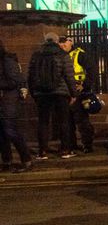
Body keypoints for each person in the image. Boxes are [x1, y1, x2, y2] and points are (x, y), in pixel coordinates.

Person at [28, 32, 78, 160]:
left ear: (45, 41)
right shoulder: (62, 55)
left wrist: (33, 92)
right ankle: (65, 150)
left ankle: (42, 151)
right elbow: (69, 76)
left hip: (41, 93)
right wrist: (73, 93)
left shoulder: (36, 55)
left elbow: (30, 76)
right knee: (63, 121)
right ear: (57, 41)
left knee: (43, 122)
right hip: (60, 92)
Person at [0, 40, 33, 173]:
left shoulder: (7, 61)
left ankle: (26, 160)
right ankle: (7, 161)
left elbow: (15, 81)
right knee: (1, 133)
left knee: (11, 131)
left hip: (8, 101)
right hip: (3, 102)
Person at [60, 37, 96, 153]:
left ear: (70, 43)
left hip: (78, 92)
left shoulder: (79, 54)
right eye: (60, 43)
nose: (62, 45)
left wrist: (84, 85)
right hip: (65, 91)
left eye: (64, 43)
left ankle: (87, 145)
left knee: (82, 120)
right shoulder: (59, 55)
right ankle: (71, 145)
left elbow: (92, 70)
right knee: (67, 120)